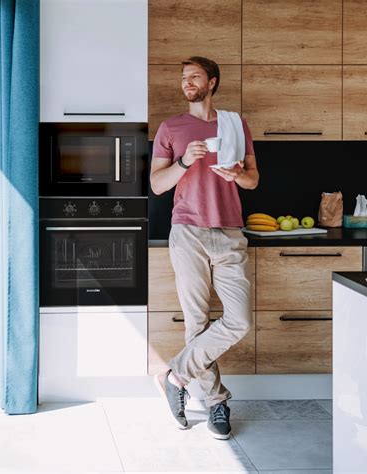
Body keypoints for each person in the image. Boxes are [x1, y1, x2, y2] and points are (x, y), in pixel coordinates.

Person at [151, 56, 259, 440]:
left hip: (230, 231)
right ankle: (215, 403)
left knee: (239, 320)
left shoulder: (234, 123)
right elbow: (158, 185)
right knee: (197, 323)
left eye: (195, 76)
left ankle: (174, 375)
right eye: (184, 77)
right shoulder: (171, 128)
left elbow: (252, 179)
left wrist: (237, 174)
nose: (187, 83)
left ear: (212, 82)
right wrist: (184, 161)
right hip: (188, 232)